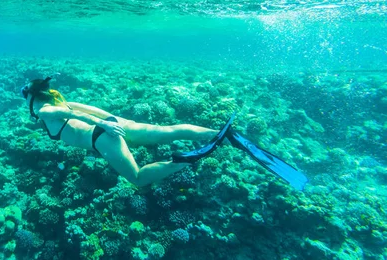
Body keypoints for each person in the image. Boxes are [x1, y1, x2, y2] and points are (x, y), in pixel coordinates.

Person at [20, 76, 308, 190]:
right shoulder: (59, 99)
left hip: (102, 136)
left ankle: (186, 159)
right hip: (111, 122)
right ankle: (223, 133)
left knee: (137, 178)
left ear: (32, 97)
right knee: (166, 131)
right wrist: (109, 120)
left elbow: (72, 116)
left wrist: (105, 128)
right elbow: (90, 108)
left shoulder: (45, 111)